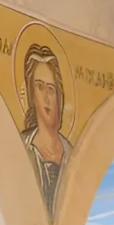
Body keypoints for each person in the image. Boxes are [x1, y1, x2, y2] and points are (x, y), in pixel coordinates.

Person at [19, 44, 70, 215]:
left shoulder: (72, 154)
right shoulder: (19, 148)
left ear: (59, 96)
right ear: (31, 94)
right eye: (39, 87)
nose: (46, 97)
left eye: (51, 89)